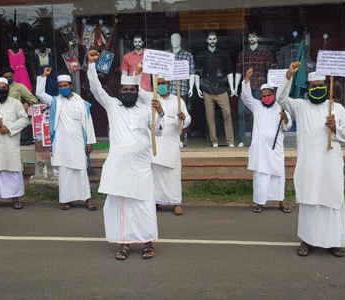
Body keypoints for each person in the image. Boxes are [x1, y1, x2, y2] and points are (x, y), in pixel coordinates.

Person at [87, 49, 164, 260]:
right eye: (125, 89)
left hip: (141, 166)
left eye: (132, 89)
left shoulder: (145, 108)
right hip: (119, 166)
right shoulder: (113, 106)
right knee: (121, 207)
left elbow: (157, 131)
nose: (128, 92)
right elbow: (95, 88)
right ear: (120, 91)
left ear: (137, 91)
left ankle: (148, 243)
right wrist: (92, 65)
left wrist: (160, 113)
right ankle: (124, 244)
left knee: (144, 205)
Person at [277, 62, 345, 257]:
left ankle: (334, 241)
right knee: (309, 201)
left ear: (326, 87)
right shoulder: (300, 106)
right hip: (309, 164)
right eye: (314, 86)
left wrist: (335, 128)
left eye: (321, 85)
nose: (318, 89)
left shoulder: (336, 108)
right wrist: (289, 75)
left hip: (330, 163)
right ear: (308, 88)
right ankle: (307, 240)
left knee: (332, 200)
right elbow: (281, 98)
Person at [36, 68, 97, 211]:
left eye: (65, 86)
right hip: (62, 144)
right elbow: (39, 93)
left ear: (71, 86)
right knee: (65, 174)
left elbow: (89, 122)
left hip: (78, 144)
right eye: (61, 86)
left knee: (81, 171)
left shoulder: (82, 103)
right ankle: (66, 200)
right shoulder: (55, 102)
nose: (63, 88)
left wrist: (89, 142)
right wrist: (44, 76)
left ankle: (87, 199)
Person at [137, 71, 191, 215]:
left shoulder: (177, 100)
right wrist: (137, 73)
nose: (161, 86)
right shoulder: (151, 97)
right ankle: (155, 202)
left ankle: (176, 202)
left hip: (171, 143)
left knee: (172, 175)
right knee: (154, 174)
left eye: (163, 83)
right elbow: (138, 89)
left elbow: (188, 120)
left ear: (169, 84)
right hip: (155, 142)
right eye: (158, 83)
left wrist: (183, 118)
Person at [241, 68, 292, 214]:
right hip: (260, 149)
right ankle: (260, 202)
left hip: (276, 148)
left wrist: (286, 119)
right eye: (264, 96)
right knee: (261, 176)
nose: (266, 98)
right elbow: (245, 97)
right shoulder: (256, 106)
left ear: (274, 95)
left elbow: (287, 127)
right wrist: (247, 79)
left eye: (269, 95)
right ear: (261, 96)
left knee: (278, 174)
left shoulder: (281, 107)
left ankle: (281, 202)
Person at [0, 78, 29, 211]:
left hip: (10, 142)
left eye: (4, 88)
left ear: (8, 90)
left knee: (12, 170)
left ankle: (15, 198)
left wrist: (9, 128)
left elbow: (24, 120)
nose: (1, 90)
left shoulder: (16, 103)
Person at [235, 30, 276, 147]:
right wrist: (235, 88)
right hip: (246, 88)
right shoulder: (242, 54)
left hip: (260, 88)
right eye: (249, 36)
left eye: (254, 36)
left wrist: (271, 87)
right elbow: (238, 72)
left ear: (258, 38)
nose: (251, 38)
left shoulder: (265, 53)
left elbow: (270, 72)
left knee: (257, 115)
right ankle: (241, 140)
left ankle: (255, 138)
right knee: (241, 113)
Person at [195, 32, 235, 147]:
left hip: (222, 88)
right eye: (210, 39)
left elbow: (229, 72)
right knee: (210, 116)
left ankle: (230, 141)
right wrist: (198, 87)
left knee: (227, 114)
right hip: (207, 89)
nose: (212, 41)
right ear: (207, 40)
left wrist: (232, 88)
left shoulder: (224, 54)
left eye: (214, 39)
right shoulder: (201, 55)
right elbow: (197, 73)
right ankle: (214, 141)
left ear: (216, 40)